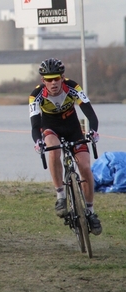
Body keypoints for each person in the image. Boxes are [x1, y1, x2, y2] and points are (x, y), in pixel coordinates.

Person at [28, 58, 102, 235]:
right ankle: (61, 195)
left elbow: (91, 115)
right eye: (49, 79)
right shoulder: (35, 96)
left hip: (73, 129)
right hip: (50, 128)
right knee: (53, 150)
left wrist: (93, 131)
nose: (53, 83)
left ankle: (90, 212)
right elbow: (34, 125)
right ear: (43, 81)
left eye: (56, 79)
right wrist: (38, 141)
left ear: (62, 77)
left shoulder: (73, 88)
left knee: (85, 167)